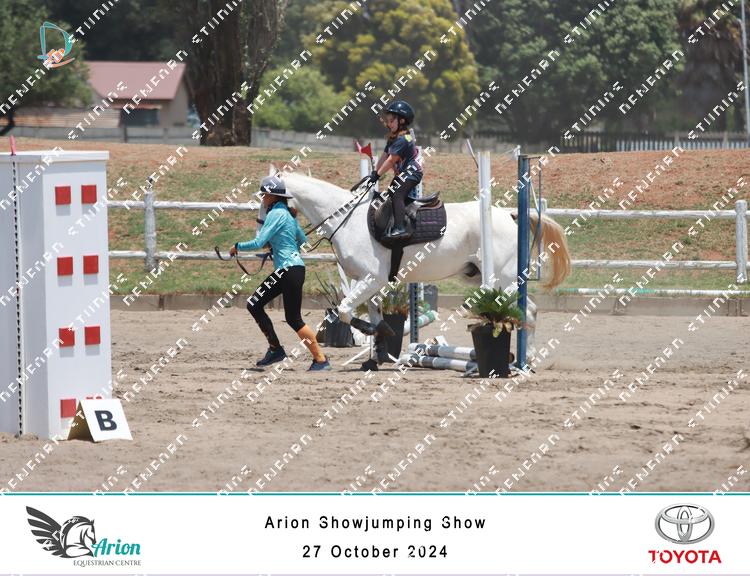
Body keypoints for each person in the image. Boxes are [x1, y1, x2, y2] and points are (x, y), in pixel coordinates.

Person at [230, 176, 331, 371]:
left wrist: (237, 247)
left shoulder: (275, 214)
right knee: (262, 306)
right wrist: (280, 245)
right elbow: (302, 240)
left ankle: (317, 359)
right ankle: (280, 350)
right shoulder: (288, 215)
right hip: (292, 270)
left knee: (285, 315)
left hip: (287, 271)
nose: (262, 199)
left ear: (272, 196)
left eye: (264, 195)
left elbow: (259, 242)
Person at [368, 100, 423, 240]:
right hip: (402, 174)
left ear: (402, 121)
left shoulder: (404, 139)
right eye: (387, 121)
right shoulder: (393, 138)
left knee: (397, 194)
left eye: (391, 121)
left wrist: (377, 175)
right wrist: (374, 172)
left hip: (412, 173)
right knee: (391, 193)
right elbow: (384, 156)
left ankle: (400, 228)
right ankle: (404, 215)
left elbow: (391, 160)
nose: (388, 124)